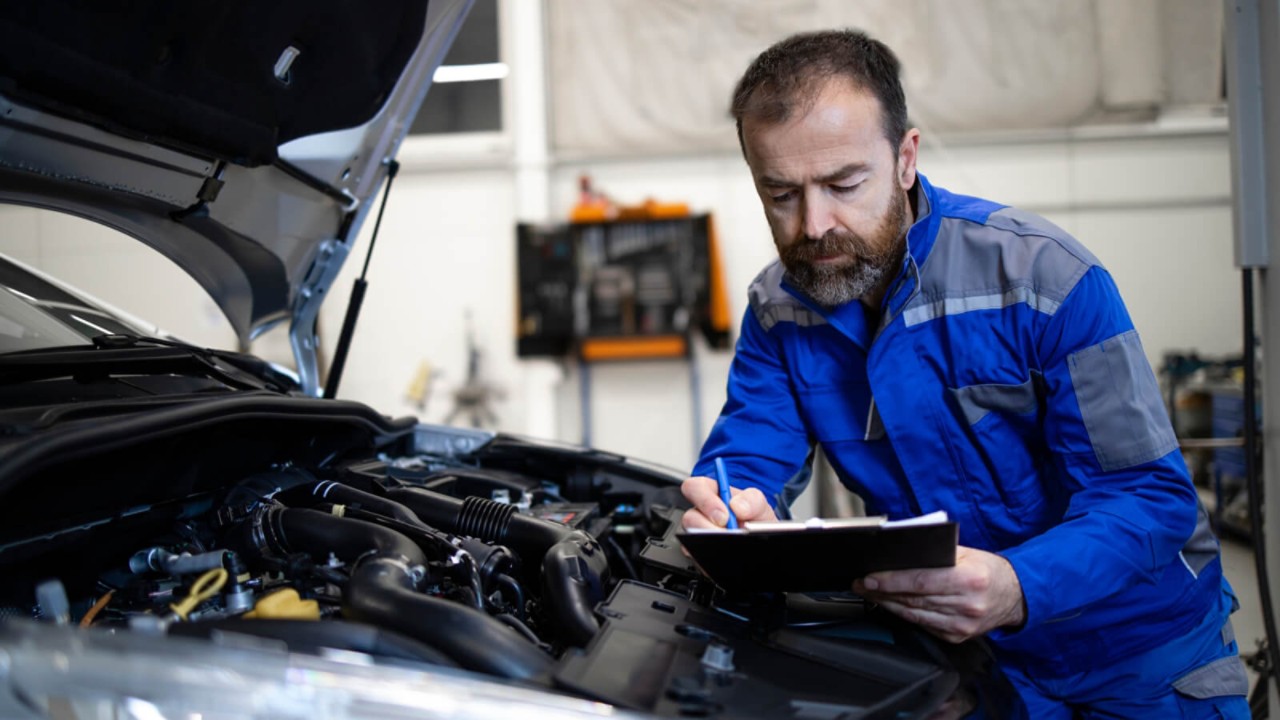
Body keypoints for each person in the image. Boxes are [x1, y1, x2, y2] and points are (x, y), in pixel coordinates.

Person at [680, 29, 1248, 718]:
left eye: (843, 184)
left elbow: (1148, 497)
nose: (814, 225)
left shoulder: (1044, 278)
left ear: (905, 159)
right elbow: (747, 459)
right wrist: (729, 511)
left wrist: (1017, 584)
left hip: (1141, 664)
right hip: (975, 671)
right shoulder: (779, 314)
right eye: (781, 195)